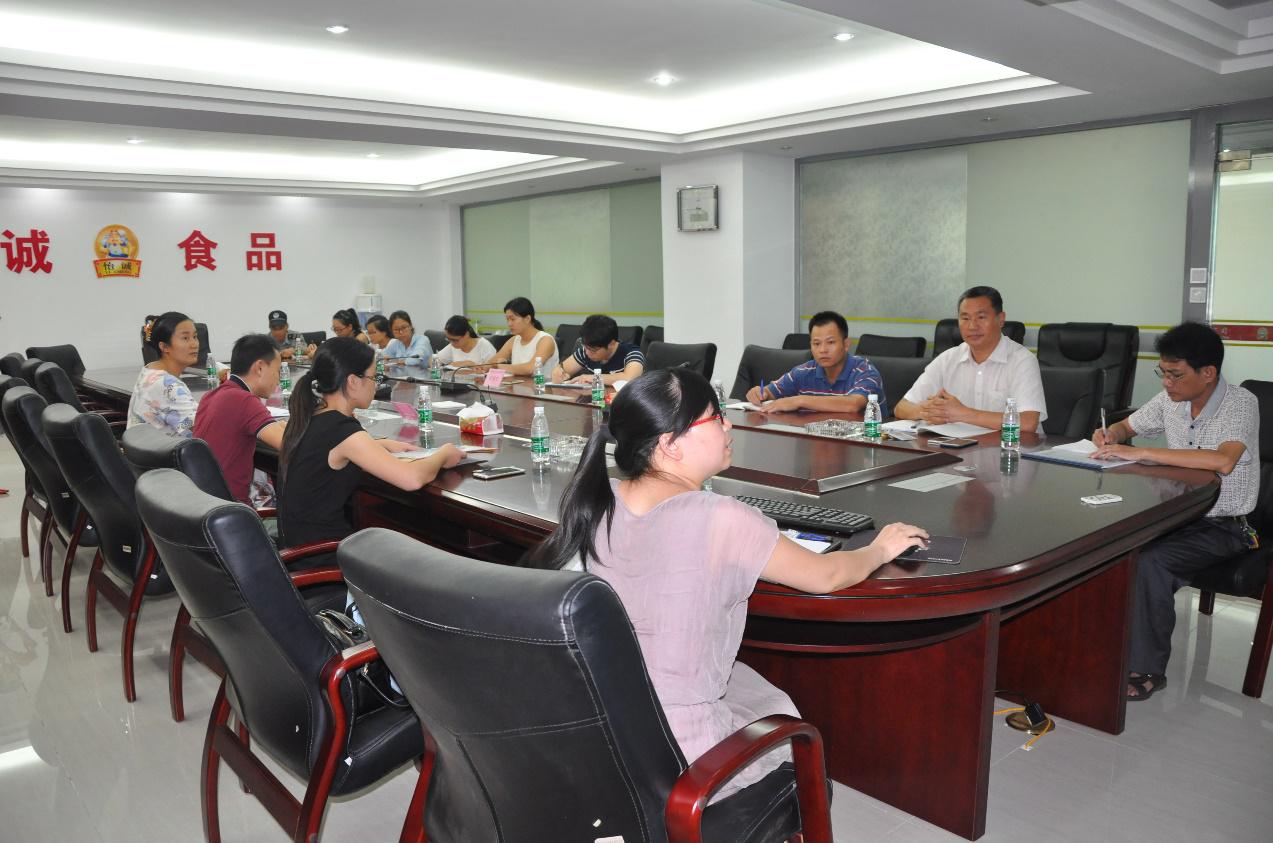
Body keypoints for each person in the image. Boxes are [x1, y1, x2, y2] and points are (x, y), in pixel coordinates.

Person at [524, 368, 928, 798]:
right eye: (716, 417)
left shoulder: (603, 498)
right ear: (670, 445)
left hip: (603, 725)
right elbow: (827, 575)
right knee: (773, 709)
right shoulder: (722, 518)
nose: (729, 425)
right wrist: (880, 549)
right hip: (680, 754)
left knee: (743, 682)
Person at [1091, 322, 1260, 702]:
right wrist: (1112, 434)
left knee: (1150, 562)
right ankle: (1101, 648)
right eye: (1163, 373)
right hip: (1176, 516)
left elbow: (1222, 460)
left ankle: (1145, 668)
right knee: (1105, 544)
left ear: (1208, 373)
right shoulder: (1170, 399)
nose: (1167, 383)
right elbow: (1126, 426)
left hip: (1225, 527)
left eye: (1176, 375)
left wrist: (1142, 452)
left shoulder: (1240, 403)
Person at [277, 337, 462, 551]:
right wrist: (443, 454)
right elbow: (412, 479)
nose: (377, 385)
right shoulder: (341, 430)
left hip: (302, 547)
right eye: (374, 377)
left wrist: (379, 444)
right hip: (325, 554)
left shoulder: (311, 416)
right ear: (353, 381)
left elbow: (332, 449)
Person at [894, 286, 1047, 432]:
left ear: (1001, 319)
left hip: (1010, 447)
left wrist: (963, 414)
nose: (972, 326)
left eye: (981, 317)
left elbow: (1028, 423)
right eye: (965, 318)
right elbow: (901, 408)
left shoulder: (1022, 360)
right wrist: (927, 412)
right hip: (959, 445)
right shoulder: (947, 359)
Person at [192, 334, 286, 506]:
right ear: (260, 368)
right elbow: (290, 444)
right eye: (278, 370)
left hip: (203, 505)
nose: (279, 378)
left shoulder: (212, 395)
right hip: (233, 510)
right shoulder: (244, 400)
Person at [745, 311, 886, 415]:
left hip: (863, 443)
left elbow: (853, 404)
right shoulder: (803, 371)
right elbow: (770, 392)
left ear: (846, 344)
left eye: (830, 342)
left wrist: (799, 401)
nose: (822, 350)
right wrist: (760, 393)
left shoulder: (865, 371)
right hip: (816, 440)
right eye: (816, 343)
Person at [128, 312, 200, 438]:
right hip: (165, 449)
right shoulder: (168, 385)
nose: (194, 344)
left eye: (195, 336)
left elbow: (186, 422)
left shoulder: (150, 369)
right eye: (185, 338)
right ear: (164, 347)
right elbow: (201, 426)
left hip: (145, 445)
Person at [551, 314, 644, 385]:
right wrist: (558, 372)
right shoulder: (586, 351)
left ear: (611, 344)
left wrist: (594, 378)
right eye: (585, 347)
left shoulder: (632, 353)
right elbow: (563, 369)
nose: (587, 353)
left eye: (593, 350)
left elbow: (630, 378)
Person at [482, 296, 558, 375]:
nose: (509, 324)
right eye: (507, 319)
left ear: (527, 319)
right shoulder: (514, 340)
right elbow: (491, 363)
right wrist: (482, 367)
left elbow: (530, 368)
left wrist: (501, 366)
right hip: (518, 383)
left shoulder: (545, 340)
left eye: (513, 319)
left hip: (541, 383)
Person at [432, 315, 497, 367]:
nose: (452, 343)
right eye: (448, 339)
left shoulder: (484, 345)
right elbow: (433, 360)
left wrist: (470, 365)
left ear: (466, 334)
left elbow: (495, 368)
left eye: (455, 340)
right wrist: (437, 365)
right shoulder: (453, 346)